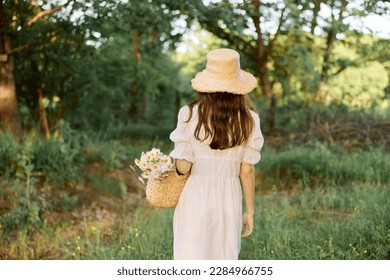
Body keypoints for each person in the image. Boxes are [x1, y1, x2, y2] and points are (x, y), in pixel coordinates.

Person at [169, 48, 264, 260]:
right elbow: (247, 171)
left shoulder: (189, 114)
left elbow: (183, 166)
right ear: (238, 87)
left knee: (190, 256)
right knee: (223, 257)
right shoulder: (250, 120)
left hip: (195, 194)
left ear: (207, 86)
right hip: (228, 197)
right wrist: (250, 211)